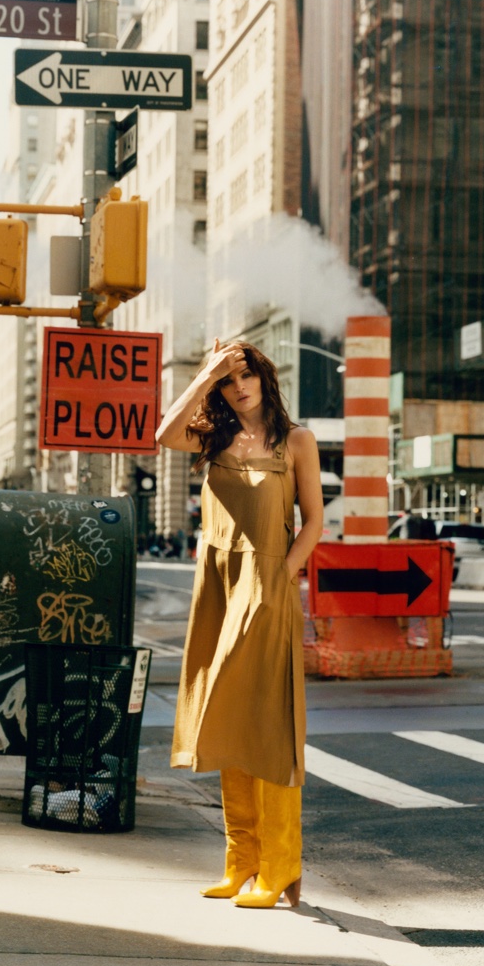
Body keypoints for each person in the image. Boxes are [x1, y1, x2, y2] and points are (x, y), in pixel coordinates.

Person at [156, 338, 323, 909]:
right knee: (225, 716)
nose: (240, 385)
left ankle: (278, 866)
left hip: (267, 584)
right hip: (218, 585)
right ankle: (241, 862)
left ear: (265, 378)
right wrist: (204, 373)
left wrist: (282, 578)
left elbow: (315, 522)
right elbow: (162, 435)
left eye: (246, 374)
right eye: (230, 379)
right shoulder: (215, 436)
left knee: (270, 727)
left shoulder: (297, 440)